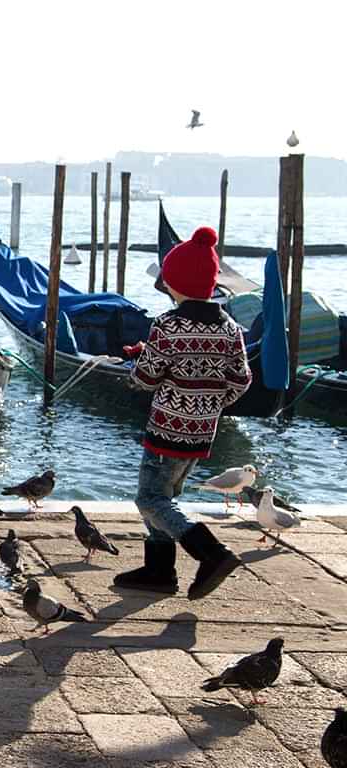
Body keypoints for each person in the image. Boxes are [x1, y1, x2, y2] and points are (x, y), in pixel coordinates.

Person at [114, 225, 250, 600]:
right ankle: (159, 571)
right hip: (202, 433)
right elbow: (241, 380)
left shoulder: (167, 325)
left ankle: (213, 554)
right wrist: (209, 405)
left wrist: (139, 361)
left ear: (175, 284)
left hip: (166, 429)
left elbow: (146, 377)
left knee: (150, 500)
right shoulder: (231, 329)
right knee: (164, 495)